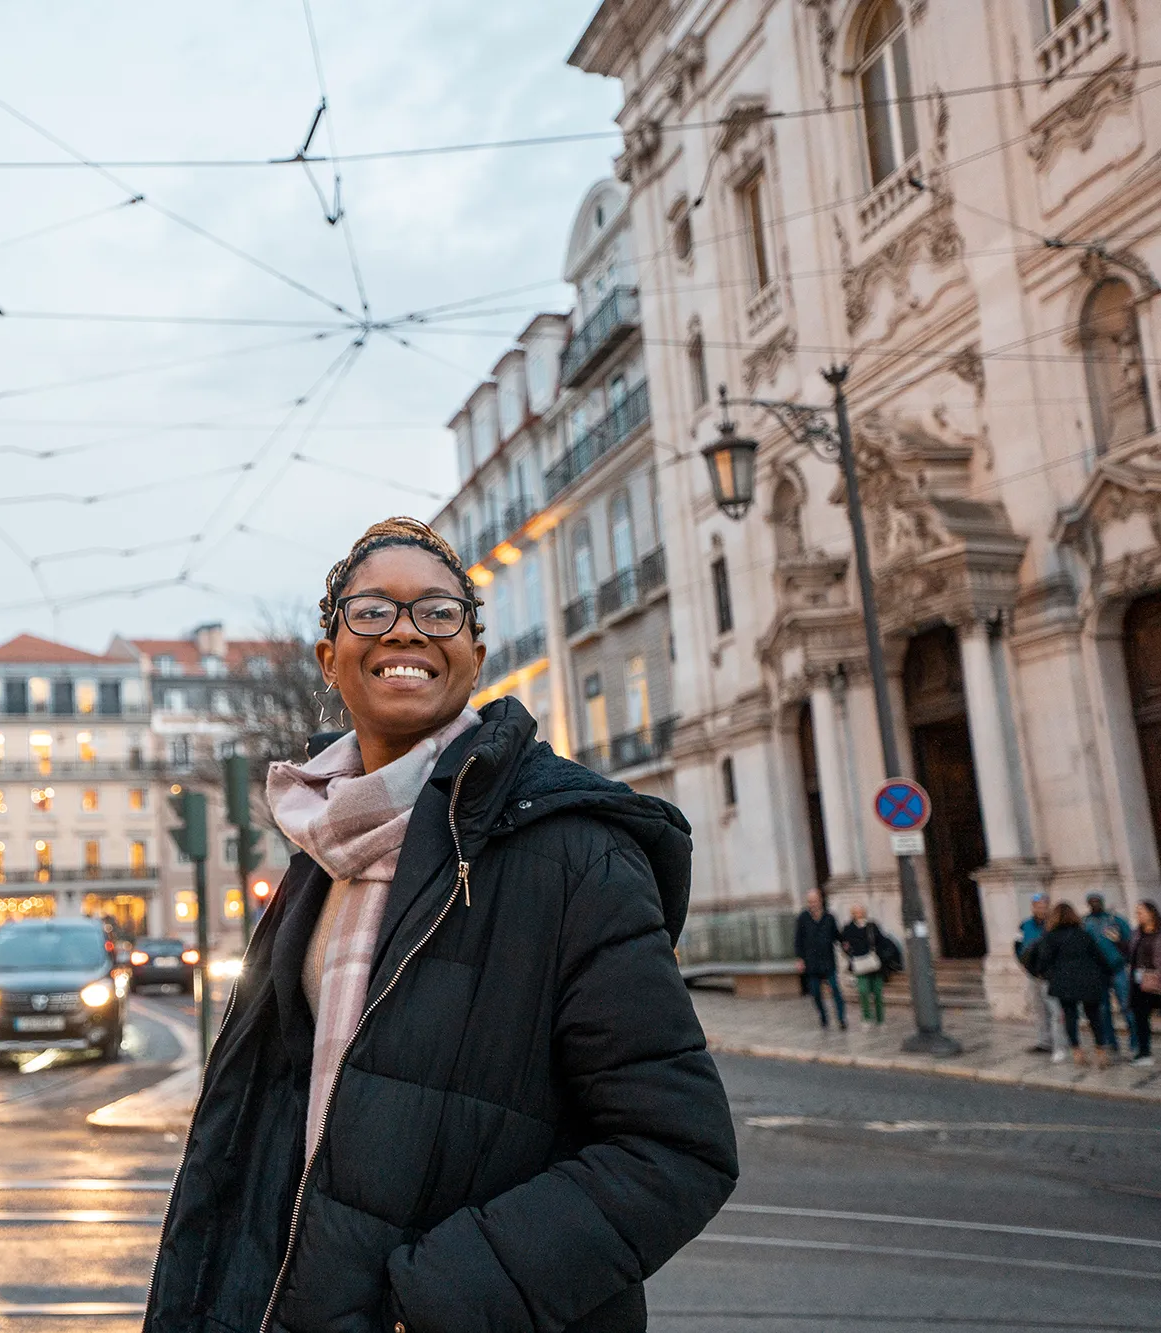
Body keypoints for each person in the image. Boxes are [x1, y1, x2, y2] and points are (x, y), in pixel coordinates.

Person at [146, 519, 737, 1333]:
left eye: (437, 612)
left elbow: (677, 1149)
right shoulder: (321, 847)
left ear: (474, 652)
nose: (404, 631)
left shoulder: (577, 851)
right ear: (330, 659)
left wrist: (434, 1301)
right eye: (372, 612)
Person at [1024, 901, 1118, 1068]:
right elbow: (1099, 957)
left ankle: (1077, 1051)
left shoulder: (1050, 937)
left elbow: (1043, 962)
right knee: (1094, 1016)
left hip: (1064, 982)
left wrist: (1047, 975)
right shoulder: (1083, 934)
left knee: (1070, 1017)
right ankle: (1100, 1051)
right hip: (1088, 980)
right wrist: (1108, 975)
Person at [1083, 892, 1135, 1053]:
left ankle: (1136, 1040)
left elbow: (1130, 940)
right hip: (1097, 972)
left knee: (1126, 1005)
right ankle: (1110, 1042)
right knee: (1103, 1009)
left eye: (1097, 901)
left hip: (1117, 968)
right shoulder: (1085, 923)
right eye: (1092, 902)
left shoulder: (1114, 920)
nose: (1095, 904)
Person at [1014, 893, 1065, 1056]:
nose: (1041, 909)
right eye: (1038, 905)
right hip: (1033, 973)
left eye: (1044, 905)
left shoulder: (1054, 924)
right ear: (1033, 907)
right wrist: (1024, 965)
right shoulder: (1024, 925)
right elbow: (1017, 945)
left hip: (1050, 974)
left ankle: (1060, 1043)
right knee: (1039, 1008)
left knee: (1055, 1009)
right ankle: (1044, 1041)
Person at [794, 889, 847, 1031]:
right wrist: (800, 959)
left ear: (820, 900)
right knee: (816, 993)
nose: (812, 904)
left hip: (828, 961)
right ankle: (823, 1017)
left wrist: (845, 944)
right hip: (811, 962)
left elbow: (837, 935)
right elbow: (798, 940)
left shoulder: (829, 917)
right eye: (810, 901)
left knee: (835, 989)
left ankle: (841, 1019)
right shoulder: (803, 918)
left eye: (814, 901)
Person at [839, 902, 888, 1027]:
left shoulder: (872, 925)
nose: (858, 914)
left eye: (860, 911)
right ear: (852, 914)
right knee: (863, 990)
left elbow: (882, 941)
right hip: (859, 963)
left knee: (877, 992)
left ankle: (880, 1018)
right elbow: (844, 944)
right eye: (856, 912)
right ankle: (866, 1017)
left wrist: (880, 955)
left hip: (874, 963)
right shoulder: (848, 928)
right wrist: (849, 953)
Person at [1129, 900, 1159, 1068]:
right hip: (1140, 982)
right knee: (1140, 1017)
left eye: (1141, 911)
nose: (1138, 915)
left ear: (1151, 912)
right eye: (1137, 912)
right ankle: (1144, 1052)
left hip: (1159, 980)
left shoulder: (1160, 932)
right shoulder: (1136, 933)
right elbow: (1130, 954)